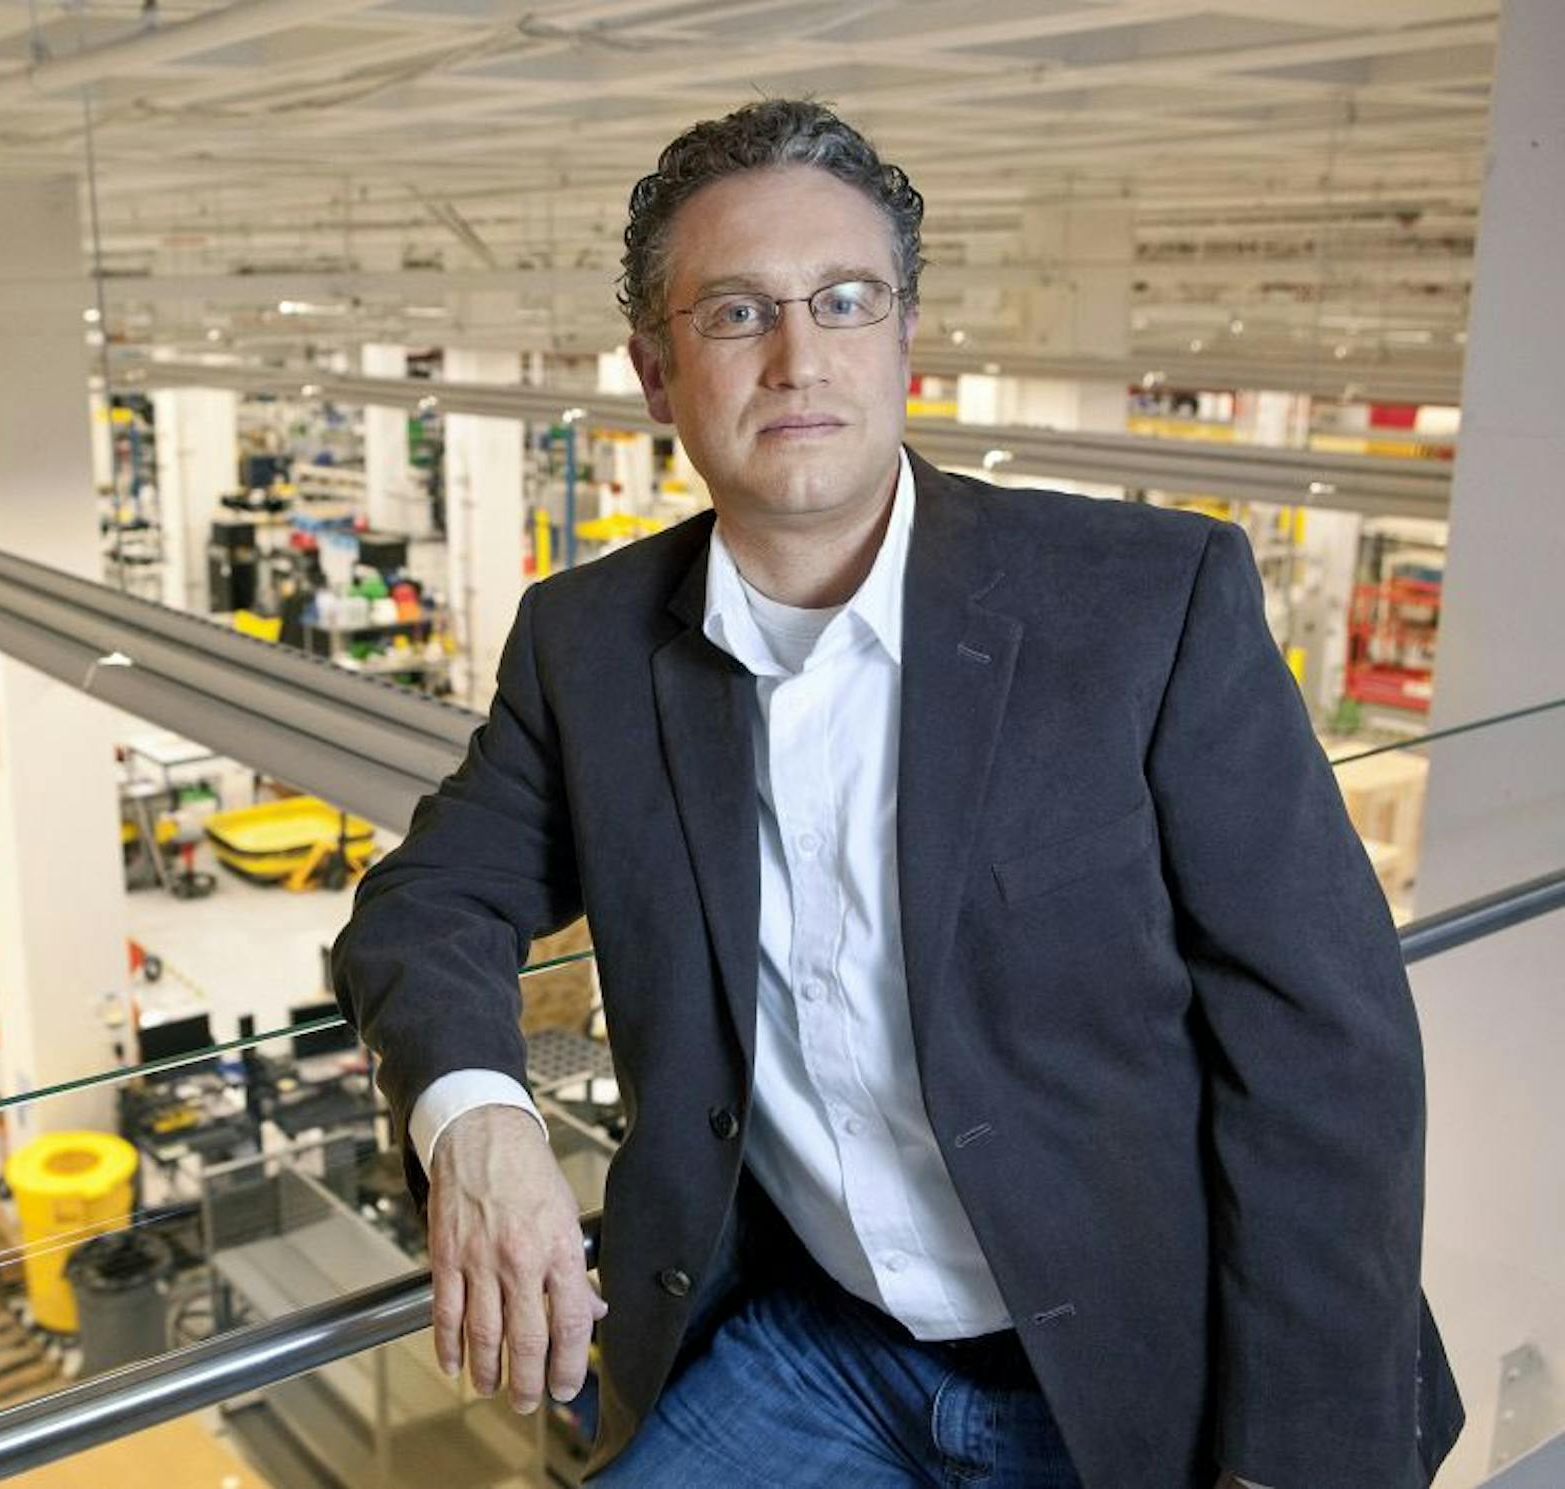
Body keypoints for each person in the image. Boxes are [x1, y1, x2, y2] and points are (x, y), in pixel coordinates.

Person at [331, 100, 1462, 1489]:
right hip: (816, 1343)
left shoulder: (1146, 606)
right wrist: (482, 1121)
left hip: (1133, 1362)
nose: (800, 357)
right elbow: (427, 899)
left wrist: (1296, 1468)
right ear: (652, 369)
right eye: (737, 311)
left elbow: (1325, 1054)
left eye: (846, 300)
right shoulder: (590, 643)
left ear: (906, 338)